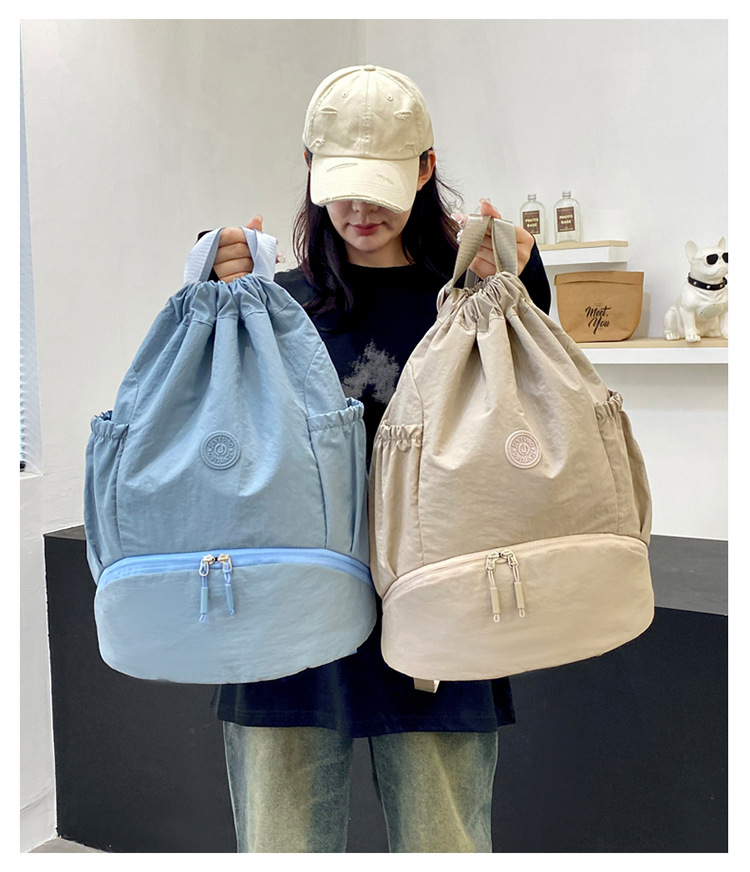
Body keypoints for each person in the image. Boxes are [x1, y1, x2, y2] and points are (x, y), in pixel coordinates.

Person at [206, 64, 551, 853]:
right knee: (281, 848)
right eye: (341, 187)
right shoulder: (273, 303)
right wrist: (209, 300)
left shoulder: (468, 298)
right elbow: (211, 428)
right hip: (287, 615)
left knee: (444, 847)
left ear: (425, 169)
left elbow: (539, 408)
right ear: (310, 169)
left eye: (380, 188)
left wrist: (527, 283)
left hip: (440, 615)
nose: (359, 210)